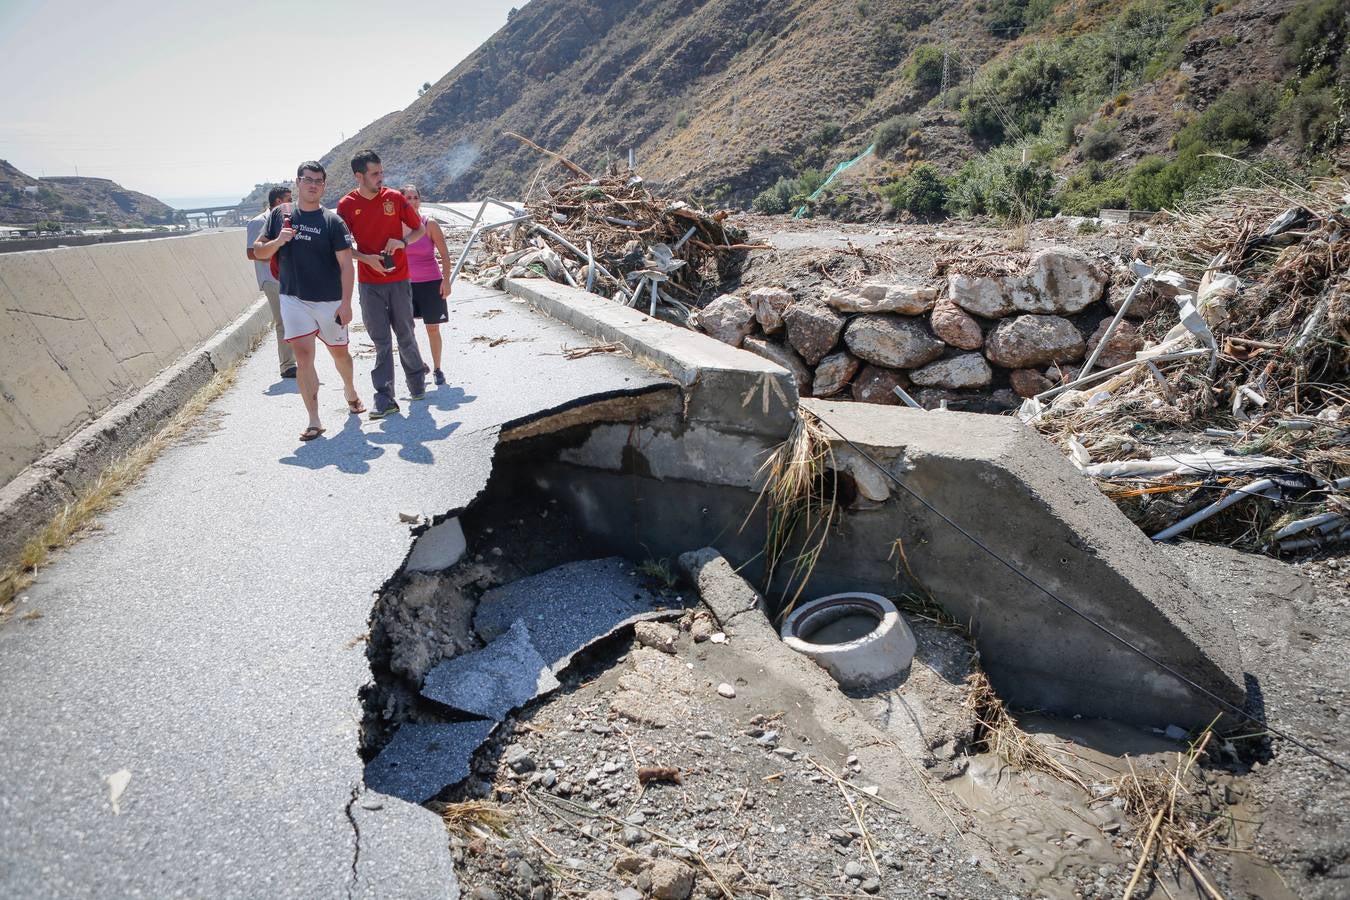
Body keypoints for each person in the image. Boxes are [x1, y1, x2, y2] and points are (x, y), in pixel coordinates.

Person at [252, 161, 365, 441]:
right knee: (303, 358)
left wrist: (346, 303)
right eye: (307, 179)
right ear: (298, 182)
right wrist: (279, 241)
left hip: (329, 301)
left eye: (318, 180)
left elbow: (346, 265)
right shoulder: (280, 214)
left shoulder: (333, 222)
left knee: (340, 354)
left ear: (324, 186)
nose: (312, 184)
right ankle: (314, 420)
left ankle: (349, 389)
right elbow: (258, 252)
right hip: (293, 298)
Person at [336, 149, 428, 419]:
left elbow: (419, 229)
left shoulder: (395, 198)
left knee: (406, 334)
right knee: (381, 341)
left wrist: (402, 242)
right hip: (369, 284)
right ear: (359, 176)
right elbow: (341, 247)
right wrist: (365, 258)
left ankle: (416, 384)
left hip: (400, 280)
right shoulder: (346, 205)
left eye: (381, 172)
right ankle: (385, 397)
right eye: (375, 174)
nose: (381, 178)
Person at [400, 183, 453, 385]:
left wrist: (446, 281)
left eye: (415, 197)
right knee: (407, 330)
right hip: (405, 285)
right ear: (401, 201)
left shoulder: (429, 223)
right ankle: (418, 363)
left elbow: (445, 255)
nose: (412, 201)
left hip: (431, 282)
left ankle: (438, 368)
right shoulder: (396, 226)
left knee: (433, 328)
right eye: (408, 198)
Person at [245, 185, 297, 378]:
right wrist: (276, 251)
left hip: (289, 276)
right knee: (282, 321)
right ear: (278, 202)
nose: (291, 202)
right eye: (288, 199)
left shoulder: (288, 219)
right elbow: (251, 253)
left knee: (296, 319)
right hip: (271, 279)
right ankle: (288, 366)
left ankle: (297, 360)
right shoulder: (257, 222)